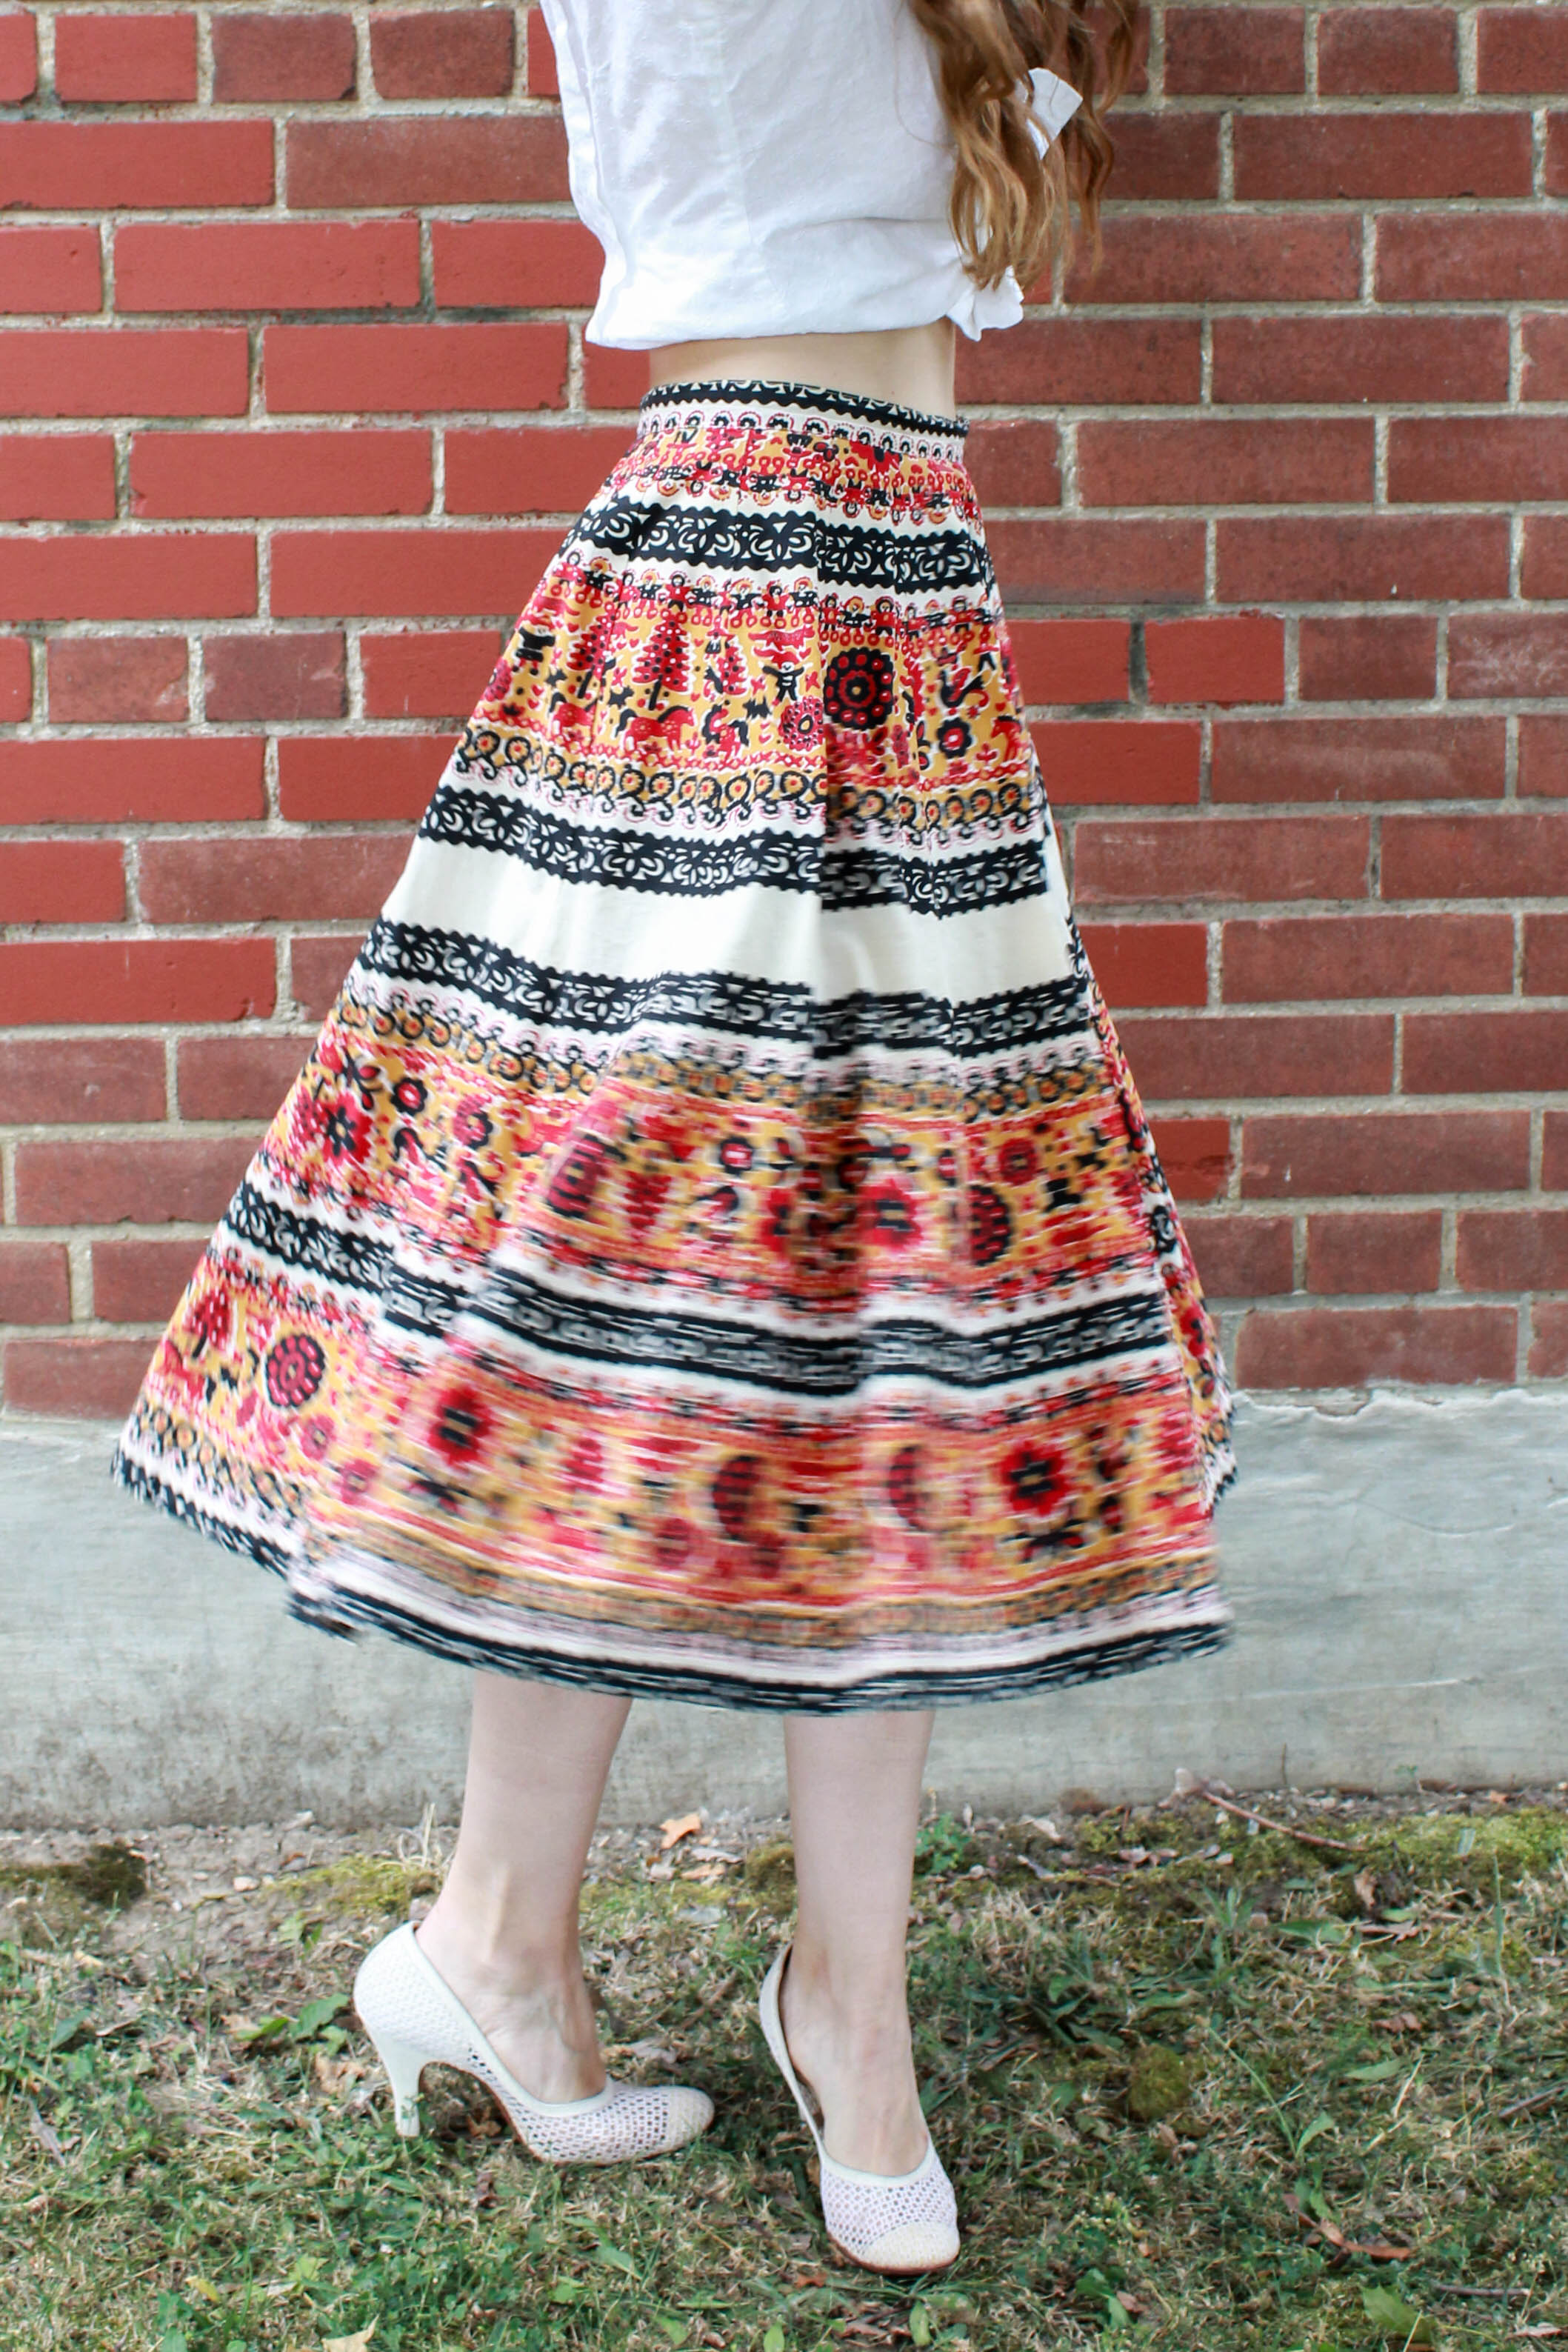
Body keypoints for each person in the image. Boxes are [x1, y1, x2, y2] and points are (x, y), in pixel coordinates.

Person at [115, 0, 1232, 2279]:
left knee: (831, 1297)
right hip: (747, 604)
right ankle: (591, 1958)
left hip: (890, 606)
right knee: (708, 1284)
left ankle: (665, 1966)